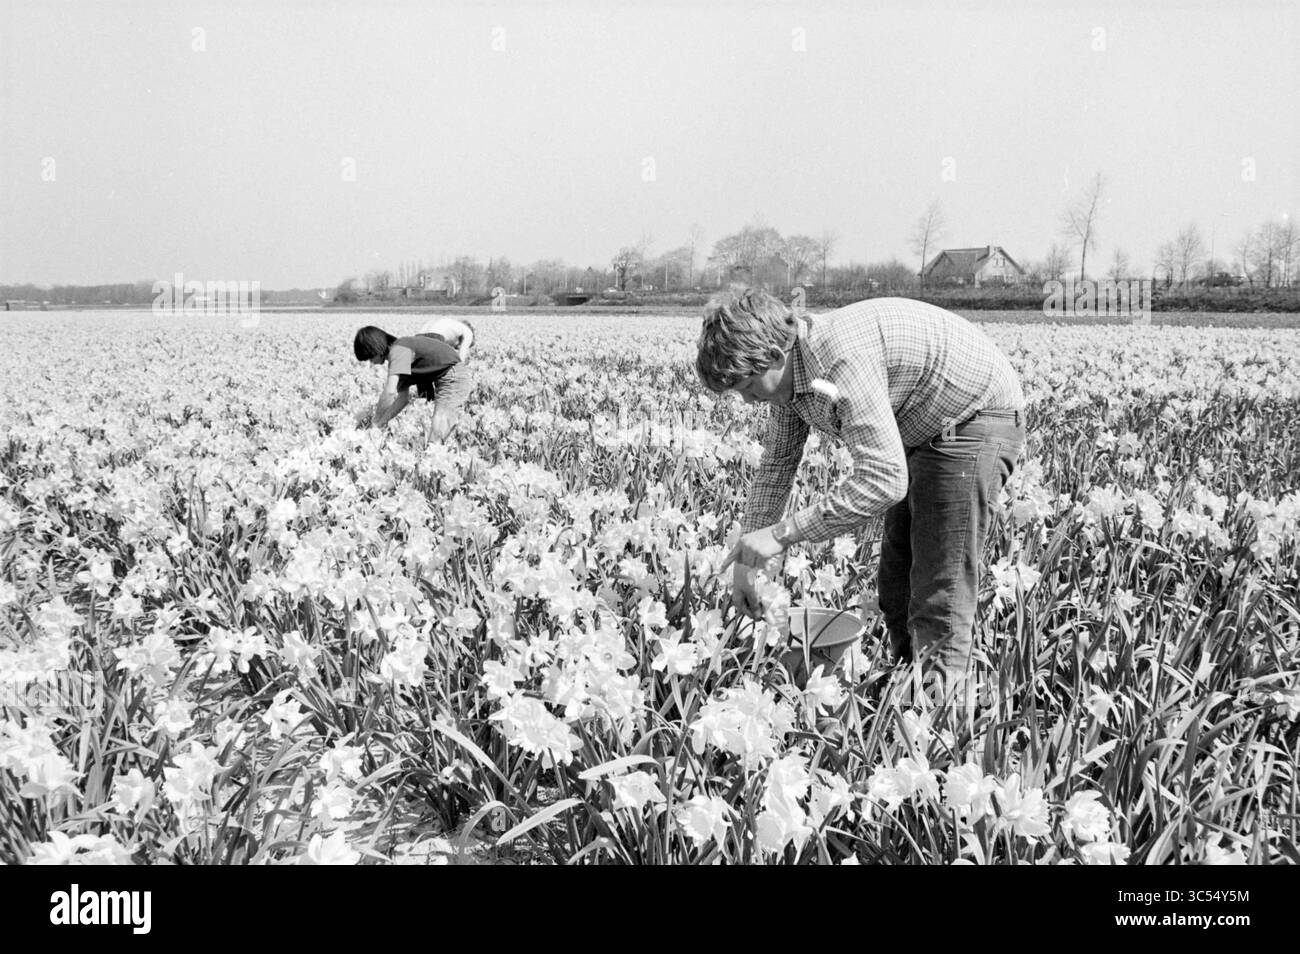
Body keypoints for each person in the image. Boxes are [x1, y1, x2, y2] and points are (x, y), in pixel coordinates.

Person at [697, 286, 1026, 709]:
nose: (746, 399)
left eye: (747, 385)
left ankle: (942, 725)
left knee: (937, 590)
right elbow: (777, 467)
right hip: (923, 430)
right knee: (895, 584)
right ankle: (912, 700)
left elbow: (885, 479)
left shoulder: (839, 360)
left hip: (973, 421)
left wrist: (783, 534)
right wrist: (746, 568)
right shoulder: (788, 381)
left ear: (776, 357)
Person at [352, 318, 475, 439]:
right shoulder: (399, 357)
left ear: (376, 348)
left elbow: (390, 392)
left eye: (369, 357)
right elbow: (402, 399)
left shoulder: (399, 350)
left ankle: (434, 453)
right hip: (446, 376)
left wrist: (375, 420)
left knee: (440, 422)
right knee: (438, 425)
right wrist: (380, 424)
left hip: (453, 375)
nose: (371, 363)